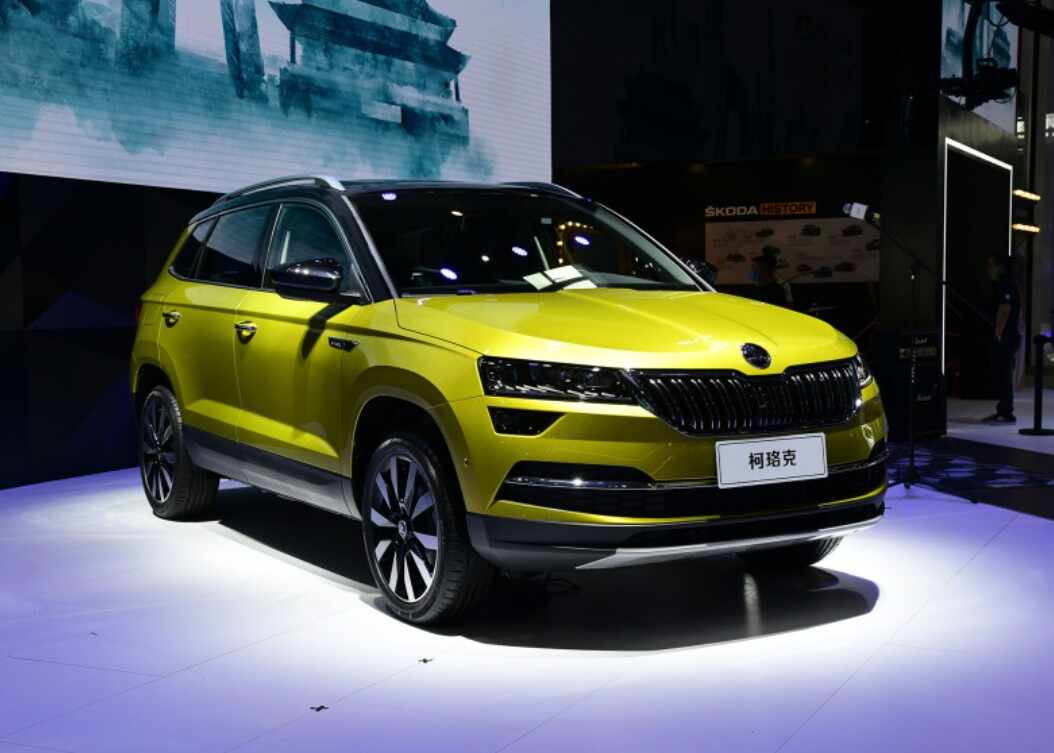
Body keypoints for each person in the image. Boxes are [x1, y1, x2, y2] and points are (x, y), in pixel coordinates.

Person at [984, 255, 1022, 423]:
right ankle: (1003, 409)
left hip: (1007, 336)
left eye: (991, 266)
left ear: (999, 267)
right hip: (1009, 335)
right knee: (1002, 373)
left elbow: (1005, 310)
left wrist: (998, 333)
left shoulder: (1005, 285)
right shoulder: (1007, 284)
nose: (988, 270)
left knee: (1004, 374)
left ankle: (1006, 412)